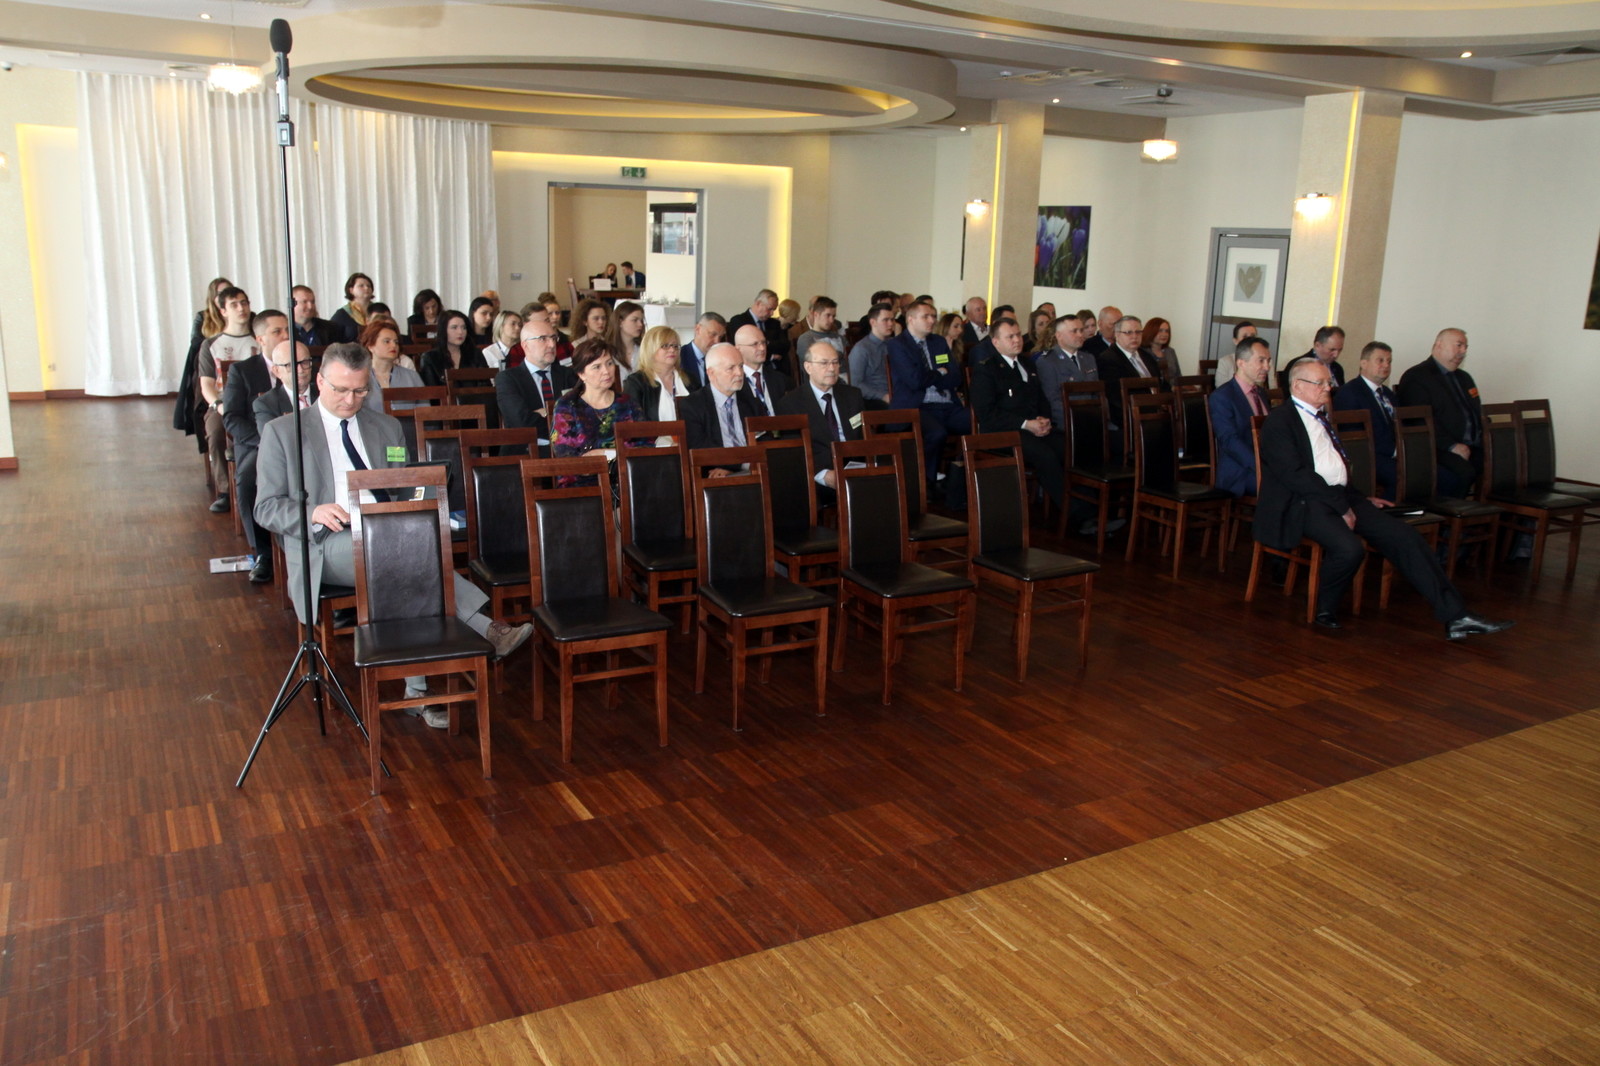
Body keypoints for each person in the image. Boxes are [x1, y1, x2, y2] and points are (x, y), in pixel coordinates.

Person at [254, 343, 532, 725]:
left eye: (360, 390)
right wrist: (312, 512)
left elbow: (403, 485)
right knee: (406, 555)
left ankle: (418, 691)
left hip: (390, 533)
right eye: (340, 390)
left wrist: (421, 494)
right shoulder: (284, 432)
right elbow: (265, 507)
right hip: (326, 542)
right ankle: (486, 629)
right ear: (319, 381)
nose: (350, 400)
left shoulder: (385, 427)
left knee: (404, 559)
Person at [1254, 359, 1511, 639]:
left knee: (1404, 536)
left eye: (1328, 382)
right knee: (1350, 549)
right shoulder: (1280, 421)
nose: (1328, 388)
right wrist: (1343, 507)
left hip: (1341, 495)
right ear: (1297, 386)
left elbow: (1335, 468)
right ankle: (1322, 608)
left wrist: (1359, 500)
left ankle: (1456, 616)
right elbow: (1296, 475)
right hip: (1303, 501)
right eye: (1321, 383)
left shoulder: (1321, 416)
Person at [222, 309, 291, 582]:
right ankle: (263, 553)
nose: (285, 336)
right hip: (257, 443)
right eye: (277, 331)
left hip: (298, 440)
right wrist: (267, 443)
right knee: (249, 478)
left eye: (287, 330)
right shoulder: (243, 371)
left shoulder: (303, 365)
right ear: (260, 338)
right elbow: (232, 418)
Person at [969, 318, 1065, 509]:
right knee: (1044, 454)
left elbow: (1041, 398)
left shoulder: (1027, 364)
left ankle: (1080, 503)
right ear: (996, 342)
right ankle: (1074, 511)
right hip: (1003, 431)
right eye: (1010, 337)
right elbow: (987, 413)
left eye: (1019, 335)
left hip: (1032, 427)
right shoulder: (986, 369)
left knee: (1067, 445)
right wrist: (1026, 424)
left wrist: (1044, 419)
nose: (1017, 340)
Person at [888, 299, 971, 481]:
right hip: (917, 405)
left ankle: (961, 477)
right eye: (926, 316)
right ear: (910, 319)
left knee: (978, 423)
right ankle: (925, 480)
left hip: (946, 403)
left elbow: (955, 376)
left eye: (933, 316)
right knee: (937, 433)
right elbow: (915, 381)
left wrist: (934, 376)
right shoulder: (898, 344)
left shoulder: (938, 342)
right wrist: (939, 372)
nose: (932, 320)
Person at [1396, 328, 1481, 498]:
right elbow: (1418, 421)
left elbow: (1476, 412)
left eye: (1465, 347)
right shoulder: (1417, 376)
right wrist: (1451, 445)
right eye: (1459, 345)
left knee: (1503, 463)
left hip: (1471, 444)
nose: (1463, 351)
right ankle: (1452, 512)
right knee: (1464, 472)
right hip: (1437, 446)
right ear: (1439, 345)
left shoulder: (1464, 378)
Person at [196, 286, 260, 513]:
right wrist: (219, 405)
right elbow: (207, 385)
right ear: (223, 311)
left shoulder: (259, 340)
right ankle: (225, 490)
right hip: (224, 403)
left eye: (244, 303)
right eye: (234, 305)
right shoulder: (211, 345)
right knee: (215, 434)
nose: (241, 308)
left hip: (256, 403)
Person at [776, 338, 865, 495]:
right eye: (824, 363)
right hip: (818, 473)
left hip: (857, 468)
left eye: (835, 362)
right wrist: (822, 475)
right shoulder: (790, 404)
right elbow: (795, 453)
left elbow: (864, 437)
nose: (832, 368)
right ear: (808, 367)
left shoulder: (853, 395)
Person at [550, 337, 642, 487]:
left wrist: (603, 454)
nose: (606, 371)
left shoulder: (628, 403)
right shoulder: (567, 405)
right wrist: (617, 454)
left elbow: (644, 447)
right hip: (582, 487)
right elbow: (566, 456)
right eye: (597, 367)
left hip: (625, 482)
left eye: (609, 363)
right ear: (581, 374)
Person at [1333, 341, 1400, 500]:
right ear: (1363, 363)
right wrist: (1394, 451)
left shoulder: (1388, 394)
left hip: (1395, 453)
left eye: (1389, 361)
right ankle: (1385, 512)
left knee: (1426, 470)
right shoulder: (1349, 393)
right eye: (1380, 360)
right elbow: (1353, 436)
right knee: (1402, 475)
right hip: (1368, 456)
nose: (1386, 365)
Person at [498, 318, 577, 451]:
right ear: (526, 346)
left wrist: (545, 413)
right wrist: (559, 417)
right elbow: (522, 422)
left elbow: (580, 417)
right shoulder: (508, 379)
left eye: (553, 338)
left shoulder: (568, 375)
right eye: (543, 339)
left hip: (567, 449)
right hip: (524, 452)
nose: (552, 344)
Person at [1209, 335, 1274, 498]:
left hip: (1266, 465)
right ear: (1241, 363)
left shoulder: (1261, 393)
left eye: (1268, 361)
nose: (1267, 367)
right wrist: (1261, 466)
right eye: (1261, 361)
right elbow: (1230, 441)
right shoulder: (1223, 396)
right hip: (1240, 472)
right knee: (1287, 486)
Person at [679, 342, 761, 466]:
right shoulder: (692, 405)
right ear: (711, 373)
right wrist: (733, 466)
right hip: (716, 469)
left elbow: (763, 439)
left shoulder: (752, 402)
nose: (739, 373)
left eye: (740, 366)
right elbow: (699, 448)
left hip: (754, 467)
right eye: (731, 368)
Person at [623, 325, 696, 429]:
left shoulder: (690, 380)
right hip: (653, 438)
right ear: (651, 348)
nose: (672, 350)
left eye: (676, 346)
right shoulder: (636, 382)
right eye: (665, 346)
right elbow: (633, 424)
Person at [1034, 314, 1100, 429]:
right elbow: (1052, 401)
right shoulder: (1048, 361)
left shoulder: (1088, 358)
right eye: (1074, 331)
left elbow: (1097, 393)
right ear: (1059, 335)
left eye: (1081, 330)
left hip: (1093, 419)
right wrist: (1079, 417)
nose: (1080, 335)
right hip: (1066, 423)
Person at [360, 319, 424, 413]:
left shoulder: (412, 376)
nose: (393, 345)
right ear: (371, 346)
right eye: (387, 341)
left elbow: (425, 412)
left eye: (396, 342)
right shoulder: (360, 376)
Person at [725, 288, 791, 371]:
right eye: (769, 309)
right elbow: (744, 349)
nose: (772, 313)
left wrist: (767, 344)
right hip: (748, 368)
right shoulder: (739, 321)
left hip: (776, 369)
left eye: (773, 310)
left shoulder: (774, 323)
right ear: (758, 303)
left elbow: (785, 345)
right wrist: (770, 355)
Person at [418, 309, 487, 387]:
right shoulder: (430, 358)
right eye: (454, 327)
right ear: (443, 330)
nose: (460, 332)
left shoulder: (475, 354)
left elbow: (486, 385)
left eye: (464, 327)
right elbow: (431, 390)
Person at [847, 302, 896, 407]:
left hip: (896, 394)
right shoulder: (861, 349)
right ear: (873, 322)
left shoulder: (895, 344)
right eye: (885, 320)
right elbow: (855, 384)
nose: (891, 324)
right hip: (873, 399)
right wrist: (882, 396)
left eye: (892, 320)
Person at [734, 323, 789, 415]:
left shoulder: (780, 379)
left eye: (763, 342)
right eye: (755, 344)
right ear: (738, 349)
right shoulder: (732, 382)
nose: (762, 348)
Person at [1287, 325, 1346, 389]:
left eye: (1340, 350)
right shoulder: (1298, 366)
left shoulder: (1338, 368)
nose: (1336, 355)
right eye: (1332, 350)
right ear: (1317, 345)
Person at [679, 312, 725, 390]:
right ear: (698, 329)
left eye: (720, 337)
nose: (717, 341)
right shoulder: (680, 357)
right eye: (713, 334)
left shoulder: (721, 359)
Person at [793, 296, 846, 362]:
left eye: (833, 316)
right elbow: (812, 365)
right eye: (828, 315)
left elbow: (846, 363)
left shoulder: (839, 338)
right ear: (816, 314)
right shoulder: (806, 339)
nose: (832, 320)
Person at [327, 272, 374, 343]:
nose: (366, 288)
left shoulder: (379, 310)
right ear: (351, 290)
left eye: (369, 286)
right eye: (361, 286)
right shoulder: (342, 314)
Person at [607, 300, 646, 379]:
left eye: (641, 320)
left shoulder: (643, 350)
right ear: (620, 322)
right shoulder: (607, 352)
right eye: (635, 320)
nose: (640, 324)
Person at [1214, 321, 1257, 387]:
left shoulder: (1264, 361)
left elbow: (1272, 388)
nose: (1250, 340)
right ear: (1235, 341)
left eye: (1253, 336)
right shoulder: (1225, 362)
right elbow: (1221, 389)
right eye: (1245, 337)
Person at [1140, 317, 1180, 386]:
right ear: (1150, 332)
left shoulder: (1170, 351)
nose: (1164, 334)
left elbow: (1178, 375)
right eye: (1160, 331)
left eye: (1167, 331)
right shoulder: (1141, 352)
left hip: (1173, 389)